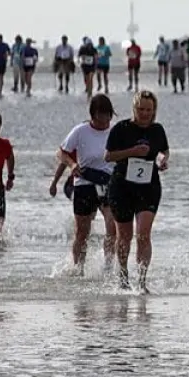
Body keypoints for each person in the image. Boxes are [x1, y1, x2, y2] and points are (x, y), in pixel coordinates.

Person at [105, 91, 169, 291]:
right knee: (124, 236)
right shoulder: (121, 128)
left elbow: (163, 151)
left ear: (154, 110)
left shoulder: (157, 130)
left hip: (148, 187)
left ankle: (142, 281)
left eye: (149, 110)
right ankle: (123, 276)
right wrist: (132, 152)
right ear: (134, 108)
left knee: (143, 233)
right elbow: (108, 156)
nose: (145, 114)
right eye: (141, 109)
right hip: (121, 187)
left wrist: (162, 160)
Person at [52, 94, 117, 273]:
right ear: (93, 115)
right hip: (84, 183)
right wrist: (72, 164)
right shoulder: (80, 131)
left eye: (107, 116)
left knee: (112, 227)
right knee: (82, 232)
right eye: (100, 117)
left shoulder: (115, 131)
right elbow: (61, 153)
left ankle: (108, 267)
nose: (104, 121)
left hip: (108, 183)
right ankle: (78, 268)